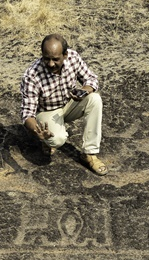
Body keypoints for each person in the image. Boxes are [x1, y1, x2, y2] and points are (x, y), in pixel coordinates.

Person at [20, 34, 107, 176]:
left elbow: (91, 79)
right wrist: (38, 131)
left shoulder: (73, 57)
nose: (50, 64)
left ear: (65, 55)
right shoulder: (31, 76)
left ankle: (89, 154)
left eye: (55, 59)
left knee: (95, 99)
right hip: (47, 112)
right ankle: (47, 141)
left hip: (69, 104)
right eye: (46, 59)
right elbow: (27, 114)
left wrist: (84, 91)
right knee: (57, 139)